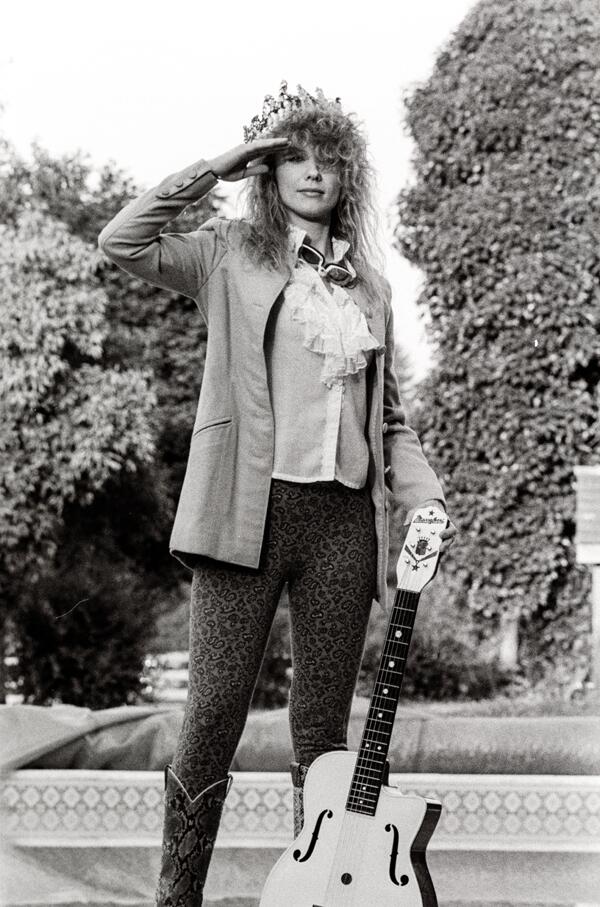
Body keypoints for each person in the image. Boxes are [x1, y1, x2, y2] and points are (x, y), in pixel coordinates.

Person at [98, 81, 456, 907]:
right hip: (245, 513)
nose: (314, 171)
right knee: (215, 710)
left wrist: (425, 497)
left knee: (323, 730)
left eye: (330, 159)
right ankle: (177, 898)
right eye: (295, 157)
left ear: (348, 177)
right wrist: (217, 166)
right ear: (269, 171)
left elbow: (387, 418)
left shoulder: (371, 287)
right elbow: (122, 240)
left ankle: (321, 890)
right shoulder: (228, 253)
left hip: (342, 522)